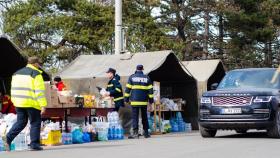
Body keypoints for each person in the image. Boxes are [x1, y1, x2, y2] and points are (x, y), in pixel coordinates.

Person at [3, 56, 47, 151]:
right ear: (35, 64)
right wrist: (43, 105)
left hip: (19, 102)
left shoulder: (16, 74)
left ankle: (8, 138)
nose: (39, 66)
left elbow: (12, 89)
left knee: (21, 122)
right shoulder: (36, 74)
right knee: (35, 122)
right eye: (39, 64)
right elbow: (39, 92)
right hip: (32, 103)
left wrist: (14, 101)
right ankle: (34, 144)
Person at [124, 65, 154, 139]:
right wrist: (151, 102)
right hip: (144, 101)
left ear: (136, 69)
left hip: (134, 101)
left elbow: (127, 90)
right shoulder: (147, 78)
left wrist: (126, 100)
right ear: (143, 69)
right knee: (144, 117)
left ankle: (135, 133)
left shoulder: (132, 77)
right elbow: (150, 91)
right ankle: (146, 133)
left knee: (135, 117)